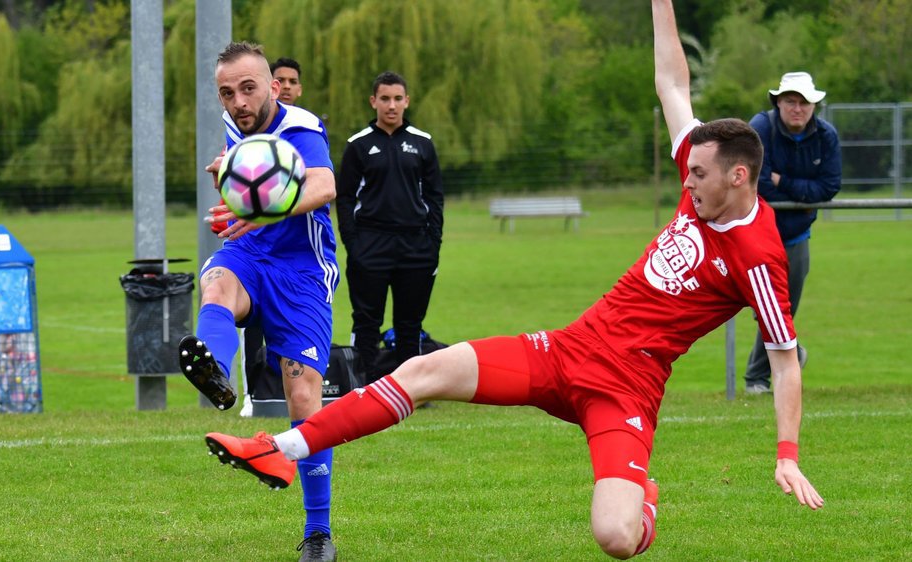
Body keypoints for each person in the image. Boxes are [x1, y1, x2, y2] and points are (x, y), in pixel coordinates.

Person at [199, 3, 825, 558]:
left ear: (737, 179)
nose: (687, 182)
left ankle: (643, 500)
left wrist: (787, 456)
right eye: (689, 171)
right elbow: (671, 81)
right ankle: (276, 447)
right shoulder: (707, 165)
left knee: (615, 538)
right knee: (419, 372)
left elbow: (786, 360)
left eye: (699, 178)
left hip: (626, 393)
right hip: (568, 349)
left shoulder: (759, 257)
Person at [179, 42, 340, 562]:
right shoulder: (237, 126)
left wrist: (267, 208)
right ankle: (216, 374)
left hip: (302, 273)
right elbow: (250, 186)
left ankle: (318, 533)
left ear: (274, 86)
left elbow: (324, 184)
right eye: (227, 93)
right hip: (251, 254)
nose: (238, 101)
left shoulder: (299, 126)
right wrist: (234, 191)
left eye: (248, 88)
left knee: (303, 400)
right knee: (217, 284)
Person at [335, 71, 444, 379]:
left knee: (410, 323)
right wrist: (354, 245)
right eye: (385, 99)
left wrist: (433, 242)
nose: (391, 105)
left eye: (398, 99)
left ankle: (410, 390)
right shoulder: (358, 145)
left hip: (416, 246)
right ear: (374, 102)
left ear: (406, 101)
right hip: (371, 244)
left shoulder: (423, 144)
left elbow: (435, 197)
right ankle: (366, 388)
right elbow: (344, 198)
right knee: (367, 322)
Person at [743, 71, 841, 394]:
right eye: (790, 101)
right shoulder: (760, 129)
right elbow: (756, 186)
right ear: (778, 103)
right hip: (755, 233)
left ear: (814, 105)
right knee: (763, 305)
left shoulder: (827, 136)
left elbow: (829, 186)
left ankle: (758, 378)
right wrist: (793, 190)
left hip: (798, 235)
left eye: (803, 102)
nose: (797, 108)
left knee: (783, 309)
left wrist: (782, 181)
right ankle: (787, 356)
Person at [238, 57, 306, 416]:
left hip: (298, 257)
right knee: (253, 323)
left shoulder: (307, 128)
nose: (288, 86)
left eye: (293, 80)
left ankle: (287, 394)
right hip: (257, 249)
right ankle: (252, 394)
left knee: (293, 331)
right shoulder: (244, 130)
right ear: (271, 87)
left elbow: (324, 187)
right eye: (281, 79)